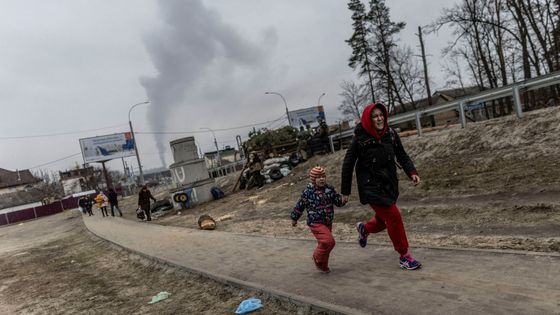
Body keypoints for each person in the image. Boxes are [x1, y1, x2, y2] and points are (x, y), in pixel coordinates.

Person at [340, 103, 422, 270]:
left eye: (381, 115)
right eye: (375, 116)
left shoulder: (390, 134)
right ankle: (404, 256)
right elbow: (347, 164)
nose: (379, 118)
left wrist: (412, 172)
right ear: (368, 119)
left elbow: (402, 154)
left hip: (388, 183)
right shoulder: (359, 138)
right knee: (393, 216)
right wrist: (345, 191)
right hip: (370, 186)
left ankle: (364, 229)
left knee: (384, 220)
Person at [291, 166, 346, 273]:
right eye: (318, 177)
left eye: (323, 176)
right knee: (329, 242)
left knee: (324, 244)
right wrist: (294, 218)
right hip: (315, 222)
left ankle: (323, 265)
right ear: (313, 179)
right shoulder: (308, 192)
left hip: (327, 221)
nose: (322, 179)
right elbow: (299, 205)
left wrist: (343, 200)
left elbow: (338, 202)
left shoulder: (329, 189)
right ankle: (316, 257)